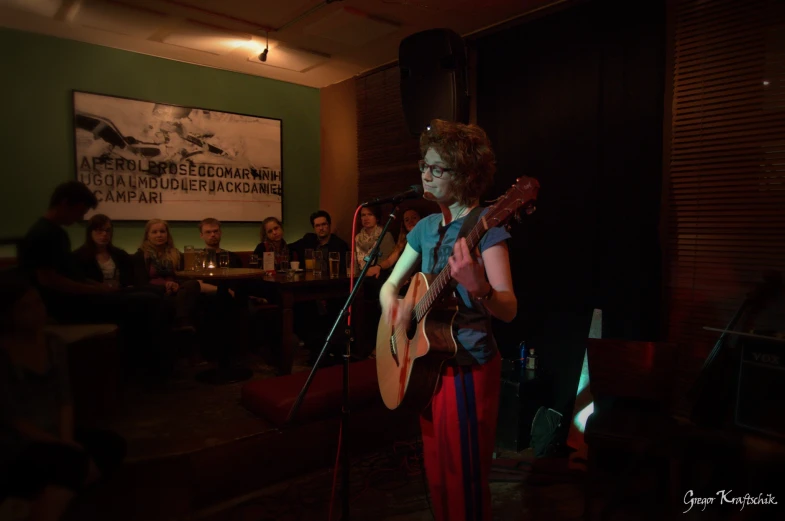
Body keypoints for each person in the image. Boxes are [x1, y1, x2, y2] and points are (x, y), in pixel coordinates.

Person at [379, 119, 518, 521]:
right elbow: (389, 284)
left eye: (437, 168)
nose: (426, 173)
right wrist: (397, 306)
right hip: (427, 364)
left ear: (467, 175)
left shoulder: (486, 227)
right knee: (437, 473)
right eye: (425, 164)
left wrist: (481, 289)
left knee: (464, 478)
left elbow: (509, 309)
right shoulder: (423, 228)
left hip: (467, 367)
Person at [0, 272, 125, 521]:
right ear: (7, 314)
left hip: (55, 433)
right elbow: (11, 417)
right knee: (73, 461)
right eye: (26, 307)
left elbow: (65, 398)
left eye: (39, 303)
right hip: (17, 441)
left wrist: (65, 438)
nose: (37, 311)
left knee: (112, 445)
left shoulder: (53, 343)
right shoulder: (3, 353)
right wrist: (59, 444)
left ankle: (26, 506)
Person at [132, 219, 200, 331]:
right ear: (147, 236)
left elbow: (183, 276)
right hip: (155, 291)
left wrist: (175, 285)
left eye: (162, 231)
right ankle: (182, 322)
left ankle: (182, 323)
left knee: (193, 284)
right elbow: (141, 282)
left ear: (167, 234)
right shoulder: (141, 255)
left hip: (177, 289)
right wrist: (165, 286)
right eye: (154, 232)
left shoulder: (176, 254)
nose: (159, 235)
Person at [72, 214, 133, 289]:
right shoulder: (79, 256)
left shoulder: (120, 254)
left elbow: (129, 278)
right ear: (90, 232)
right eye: (99, 230)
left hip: (118, 294)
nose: (104, 234)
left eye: (108, 230)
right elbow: (79, 280)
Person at [354, 207, 396, 279]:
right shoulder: (358, 238)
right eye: (363, 215)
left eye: (370, 214)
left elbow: (386, 261)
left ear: (377, 218)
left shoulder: (385, 235)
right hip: (360, 278)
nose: (366, 218)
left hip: (378, 277)